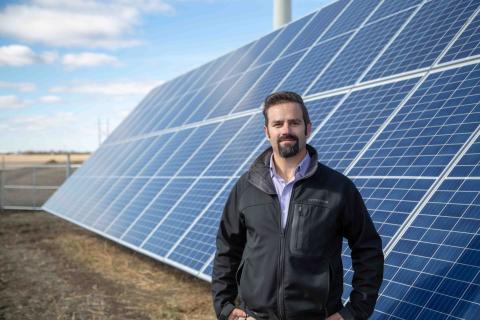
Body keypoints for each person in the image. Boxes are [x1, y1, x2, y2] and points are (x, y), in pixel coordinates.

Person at [211, 91, 384, 320]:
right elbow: (227, 249)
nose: (286, 130)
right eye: (278, 123)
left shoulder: (337, 188)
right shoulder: (246, 187)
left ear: (307, 128)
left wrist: (354, 312)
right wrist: (225, 306)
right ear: (267, 132)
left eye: (294, 122)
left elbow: (368, 250)